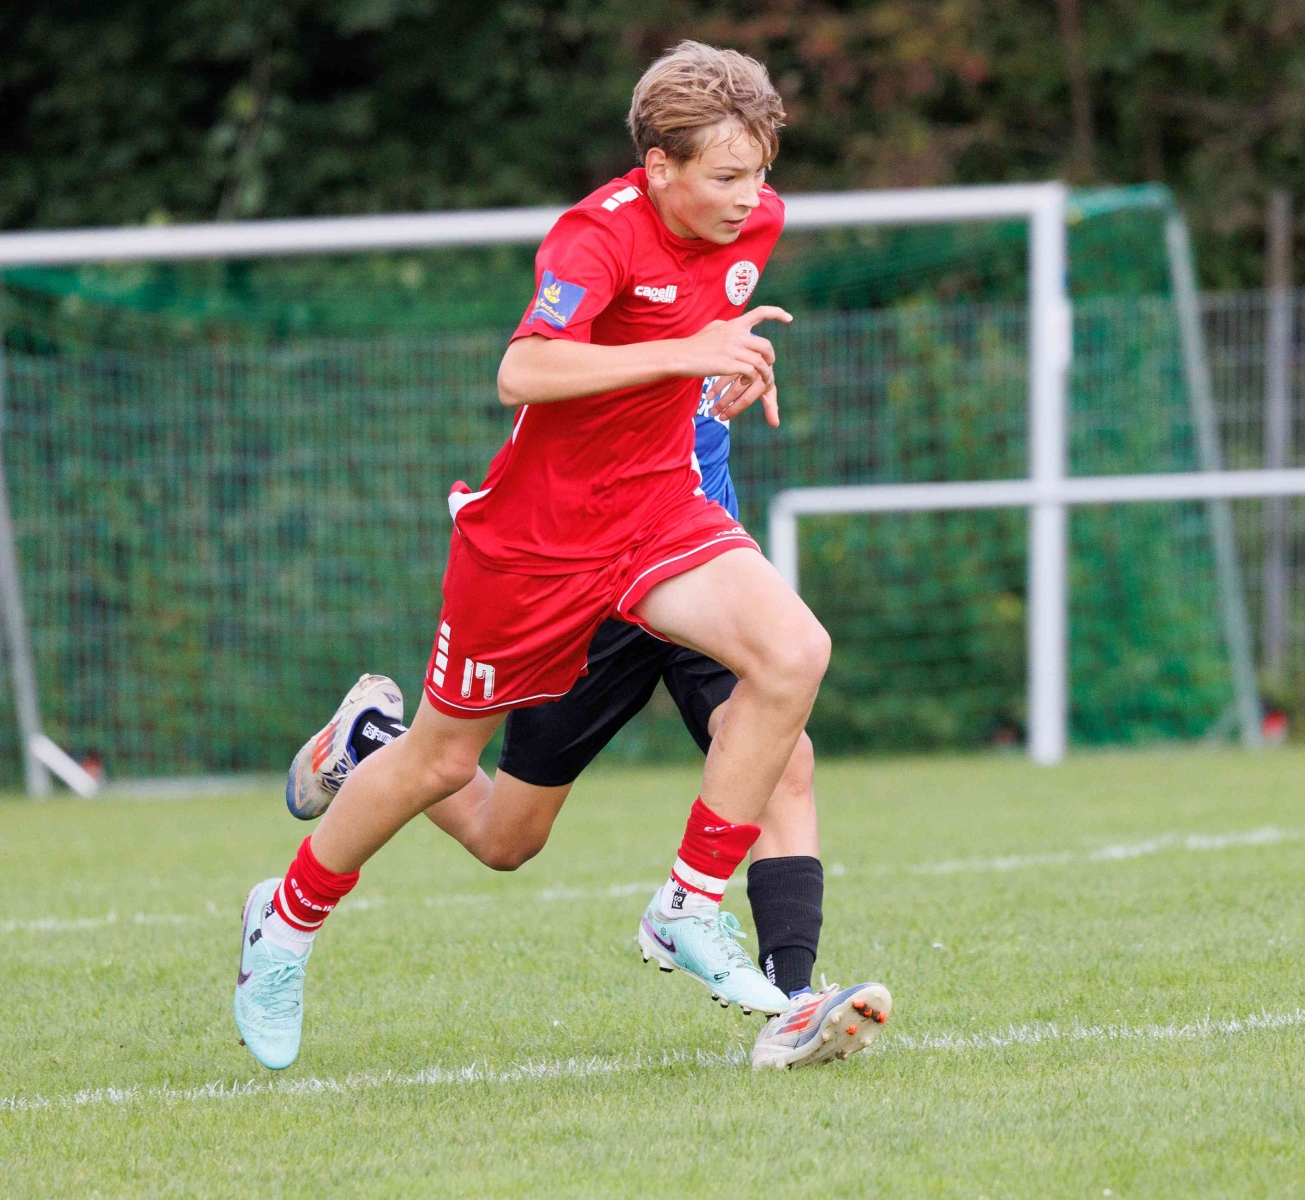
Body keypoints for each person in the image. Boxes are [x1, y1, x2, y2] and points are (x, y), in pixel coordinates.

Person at [234, 41, 879, 1072]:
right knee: (457, 778)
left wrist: (721, 374)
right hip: (537, 542)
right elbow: (523, 369)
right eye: (725, 175)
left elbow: (689, 326)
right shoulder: (596, 234)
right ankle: (287, 916)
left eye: (760, 171)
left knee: (796, 653)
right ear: (657, 167)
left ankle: (688, 906)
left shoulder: (752, 220)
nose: (750, 196)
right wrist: (689, 352)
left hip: (660, 511)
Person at [281, 368, 890, 1070]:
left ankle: (794, 1004)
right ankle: (375, 740)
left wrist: (739, 353)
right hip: (592, 592)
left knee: (786, 757)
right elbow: (534, 374)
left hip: (700, 569)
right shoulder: (595, 310)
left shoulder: (715, 305)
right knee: (506, 838)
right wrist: (689, 349)